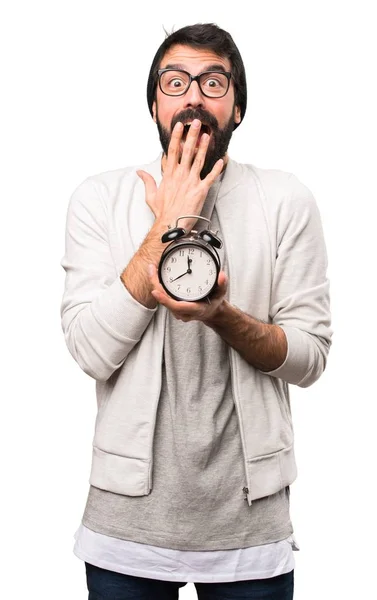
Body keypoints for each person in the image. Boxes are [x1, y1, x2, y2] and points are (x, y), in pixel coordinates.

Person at [60, 22, 332, 600]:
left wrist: (220, 315)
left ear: (237, 108)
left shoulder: (285, 201)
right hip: (124, 528)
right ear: (154, 103)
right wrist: (166, 226)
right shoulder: (99, 199)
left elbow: (310, 358)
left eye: (213, 82)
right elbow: (89, 350)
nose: (193, 96)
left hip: (249, 532)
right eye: (176, 81)